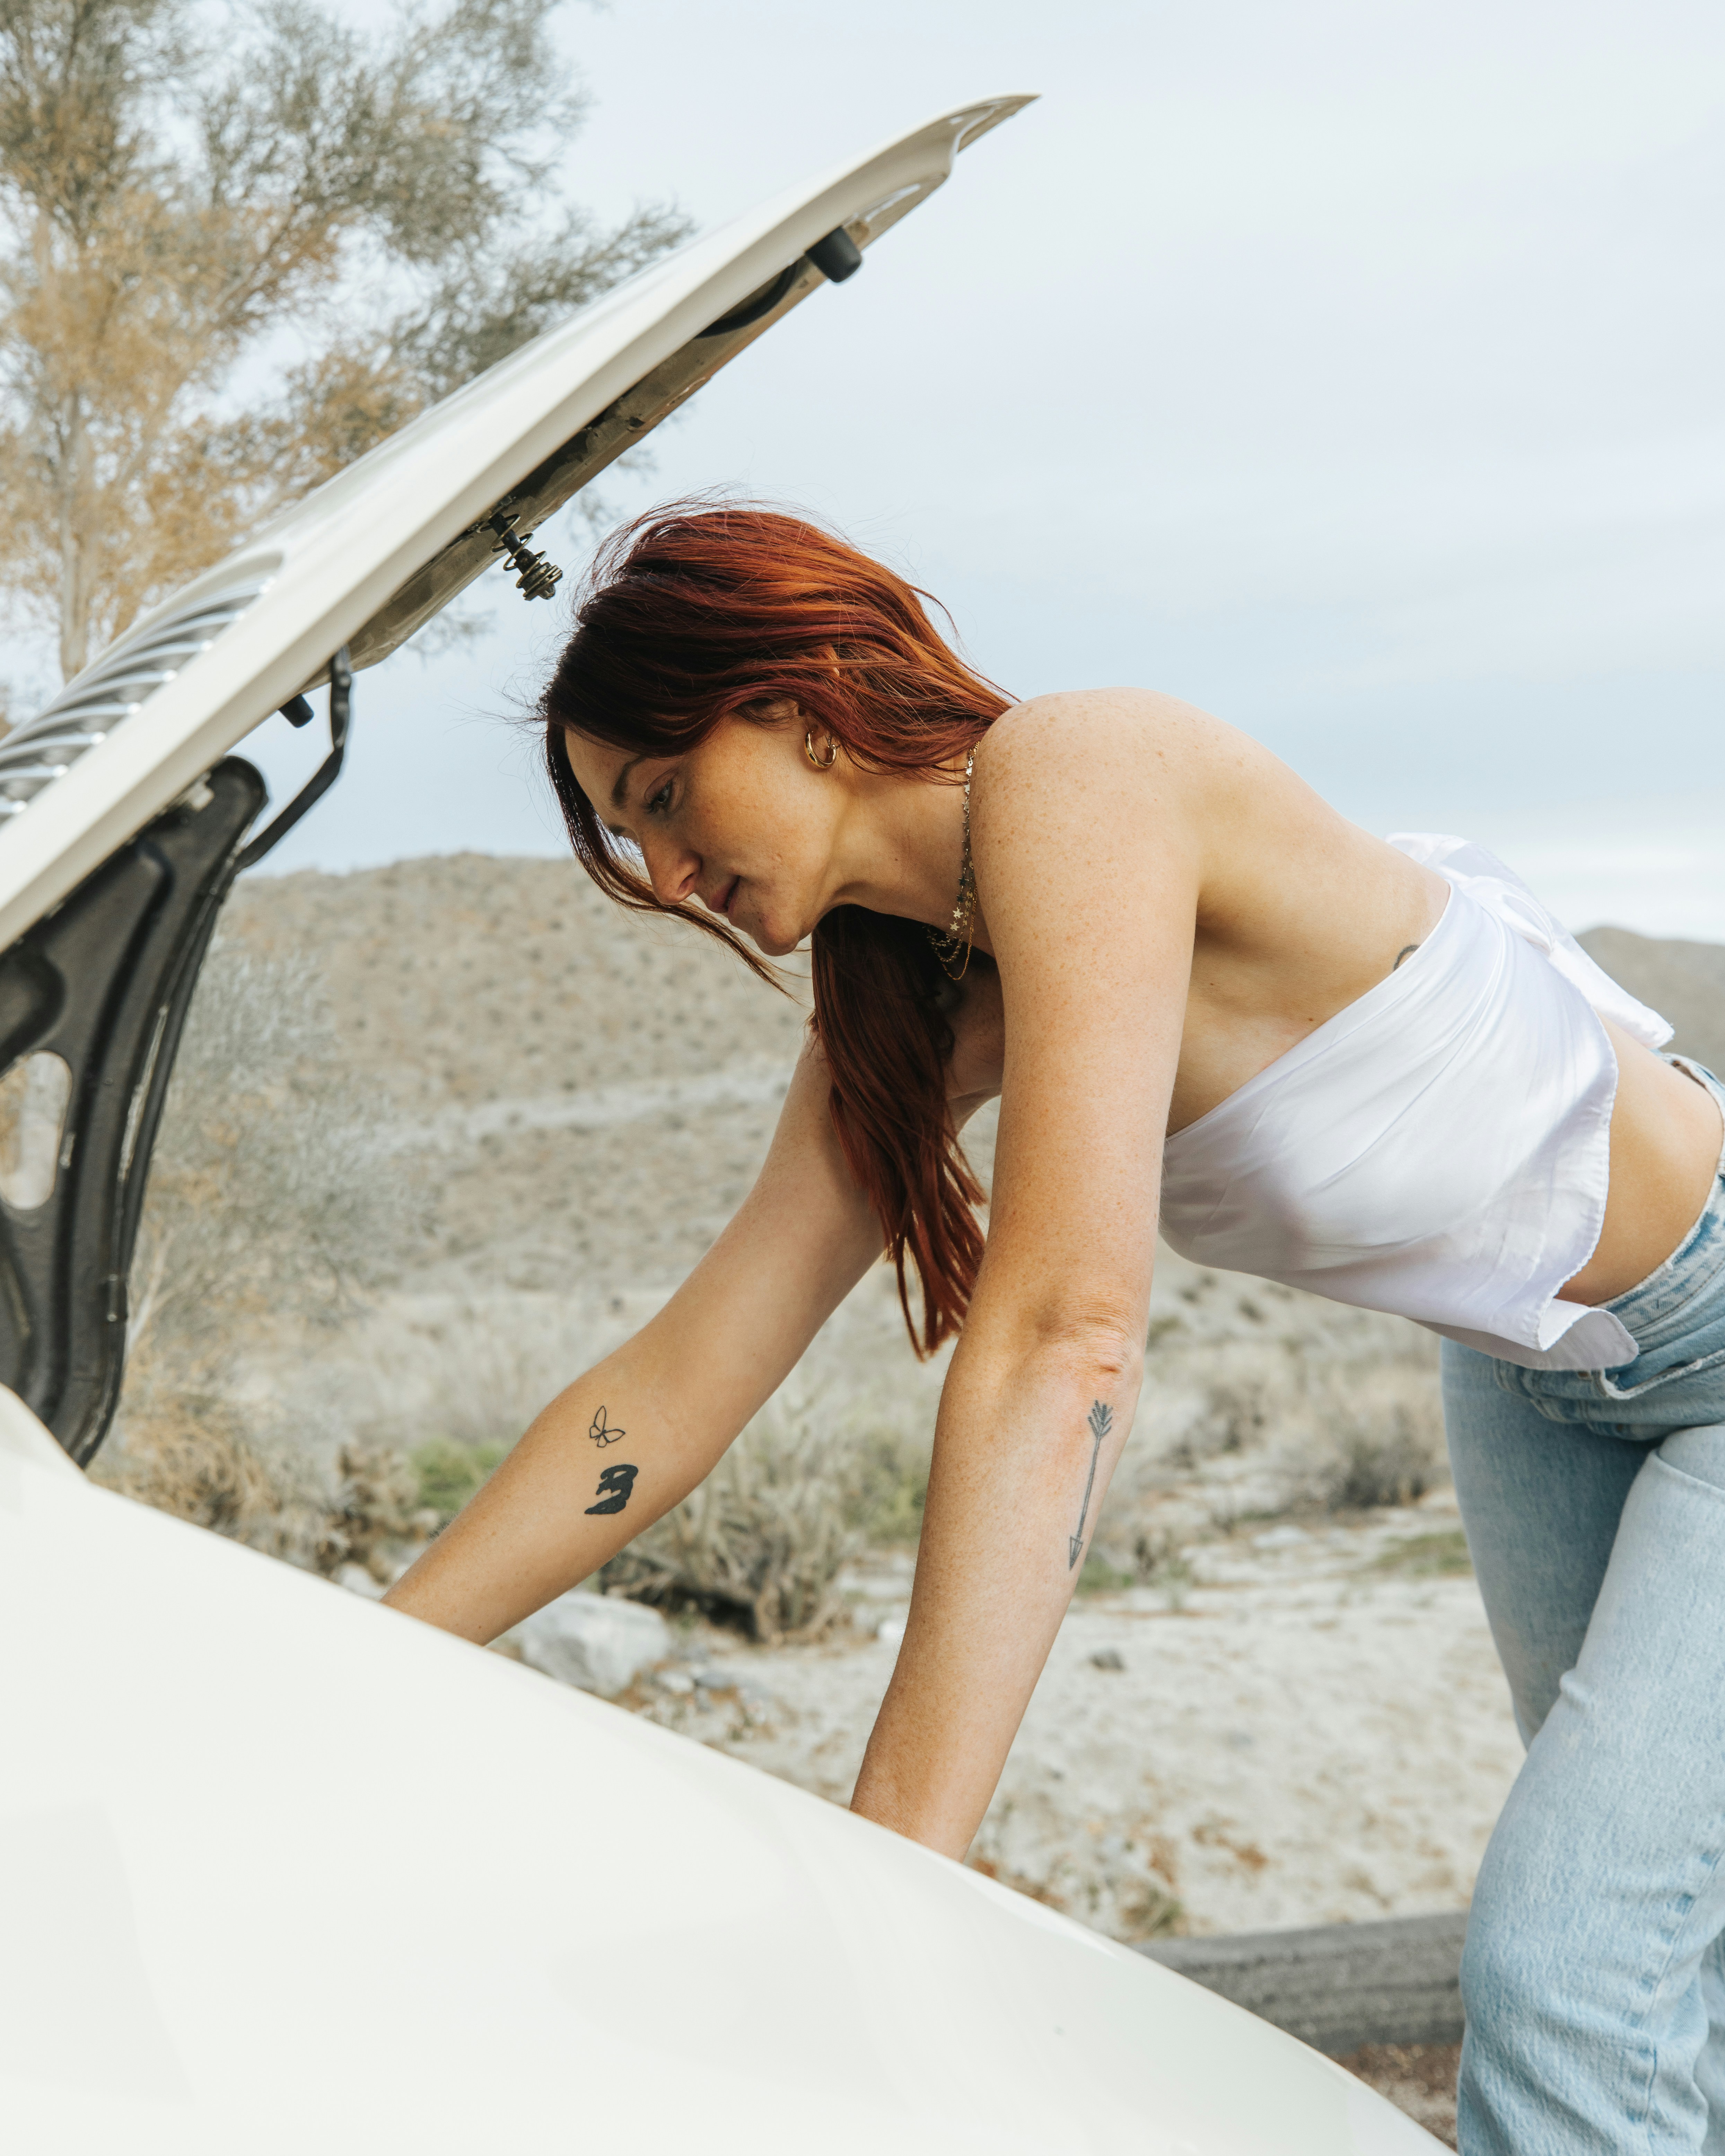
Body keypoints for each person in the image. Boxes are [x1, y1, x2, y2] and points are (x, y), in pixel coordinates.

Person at [386, 503, 1725, 2156]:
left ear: (796, 706)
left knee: (1576, 1979)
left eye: (660, 796)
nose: (662, 874)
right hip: (1540, 1377)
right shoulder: (918, 998)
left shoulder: (1082, 778)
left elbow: (1064, 1339)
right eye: (625, 836)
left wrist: (885, 1882)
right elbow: (680, 1379)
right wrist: (365, 1654)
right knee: (1673, 1950)